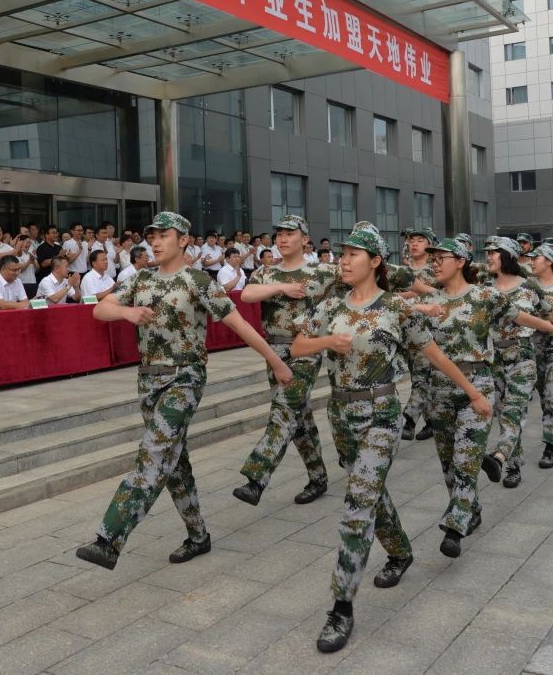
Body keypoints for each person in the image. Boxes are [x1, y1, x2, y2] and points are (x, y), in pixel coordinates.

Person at [291, 226, 480, 653]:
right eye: (341, 253)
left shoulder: (396, 308)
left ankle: (341, 606)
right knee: (370, 492)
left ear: (375, 261)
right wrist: (327, 341)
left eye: (353, 254)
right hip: (341, 412)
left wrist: (473, 392)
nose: (342, 259)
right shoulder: (331, 305)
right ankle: (400, 552)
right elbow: (299, 346)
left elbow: (433, 355)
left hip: (381, 413)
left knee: (358, 501)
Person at [76, 211, 292, 573]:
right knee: (174, 462)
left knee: (154, 450)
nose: (156, 242)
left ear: (183, 240)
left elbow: (238, 323)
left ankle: (108, 539)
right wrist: (126, 313)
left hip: (185, 377)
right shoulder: (140, 278)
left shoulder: (198, 281)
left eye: (164, 235)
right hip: (148, 378)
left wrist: (276, 361)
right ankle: (198, 534)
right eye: (152, 236)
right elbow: (100, 309)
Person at [419, 237, 553, 558]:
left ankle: (454, 526)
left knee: (466, 460)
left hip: (477, 385)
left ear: (461, 262)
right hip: (438, 390)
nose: (436, 263)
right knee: (448, 465)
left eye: (442, 257)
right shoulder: (432, 303)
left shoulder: (484, 296)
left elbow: (520, 317)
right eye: (433, 259)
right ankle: (472, 508)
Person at [234, 215, 333, 508]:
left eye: (290, 233)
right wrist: (282, 288)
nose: (283, 238)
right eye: (279, 233)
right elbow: (248, 295)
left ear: (305, 239)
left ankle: (256, 478)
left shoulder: (322, 272)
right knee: (298, 416)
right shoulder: (266, 274)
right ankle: (317, 477)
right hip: (274, 350)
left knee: (284, 408)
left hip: (306, 349)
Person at [480, 237, 553, 483]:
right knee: (504, 413)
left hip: (522, 355)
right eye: (487, 252)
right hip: (494, 358)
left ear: (509, 256)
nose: (489, 256)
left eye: (495, 252)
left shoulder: (528, 287)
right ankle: (514, 465)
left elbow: (550, 312)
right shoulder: (483, 288)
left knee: (514, 411)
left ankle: (500, 456)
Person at [389, 226, 438, 442]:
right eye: (411, 240)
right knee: (420, 379)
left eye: (420, 239)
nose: (414, 243)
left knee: (421, 379)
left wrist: (402, 296)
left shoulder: (435, 270)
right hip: (403, 334)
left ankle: (408, 419)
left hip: (426, 333)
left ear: (429, 244)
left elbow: (429, 292)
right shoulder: (402, 270)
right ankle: (433, 422)